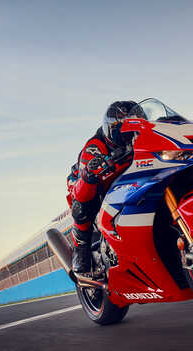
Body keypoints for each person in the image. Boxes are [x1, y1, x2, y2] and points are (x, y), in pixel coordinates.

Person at [66, 100, 139, 274]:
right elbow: (80, 190)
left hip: (122, 182)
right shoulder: (95, 147)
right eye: (124, 128)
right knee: (82, 205)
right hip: (88, 184)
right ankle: (80, 246)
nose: (129, 133)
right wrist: (90, 173)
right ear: (112, 129)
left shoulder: (138, 140)